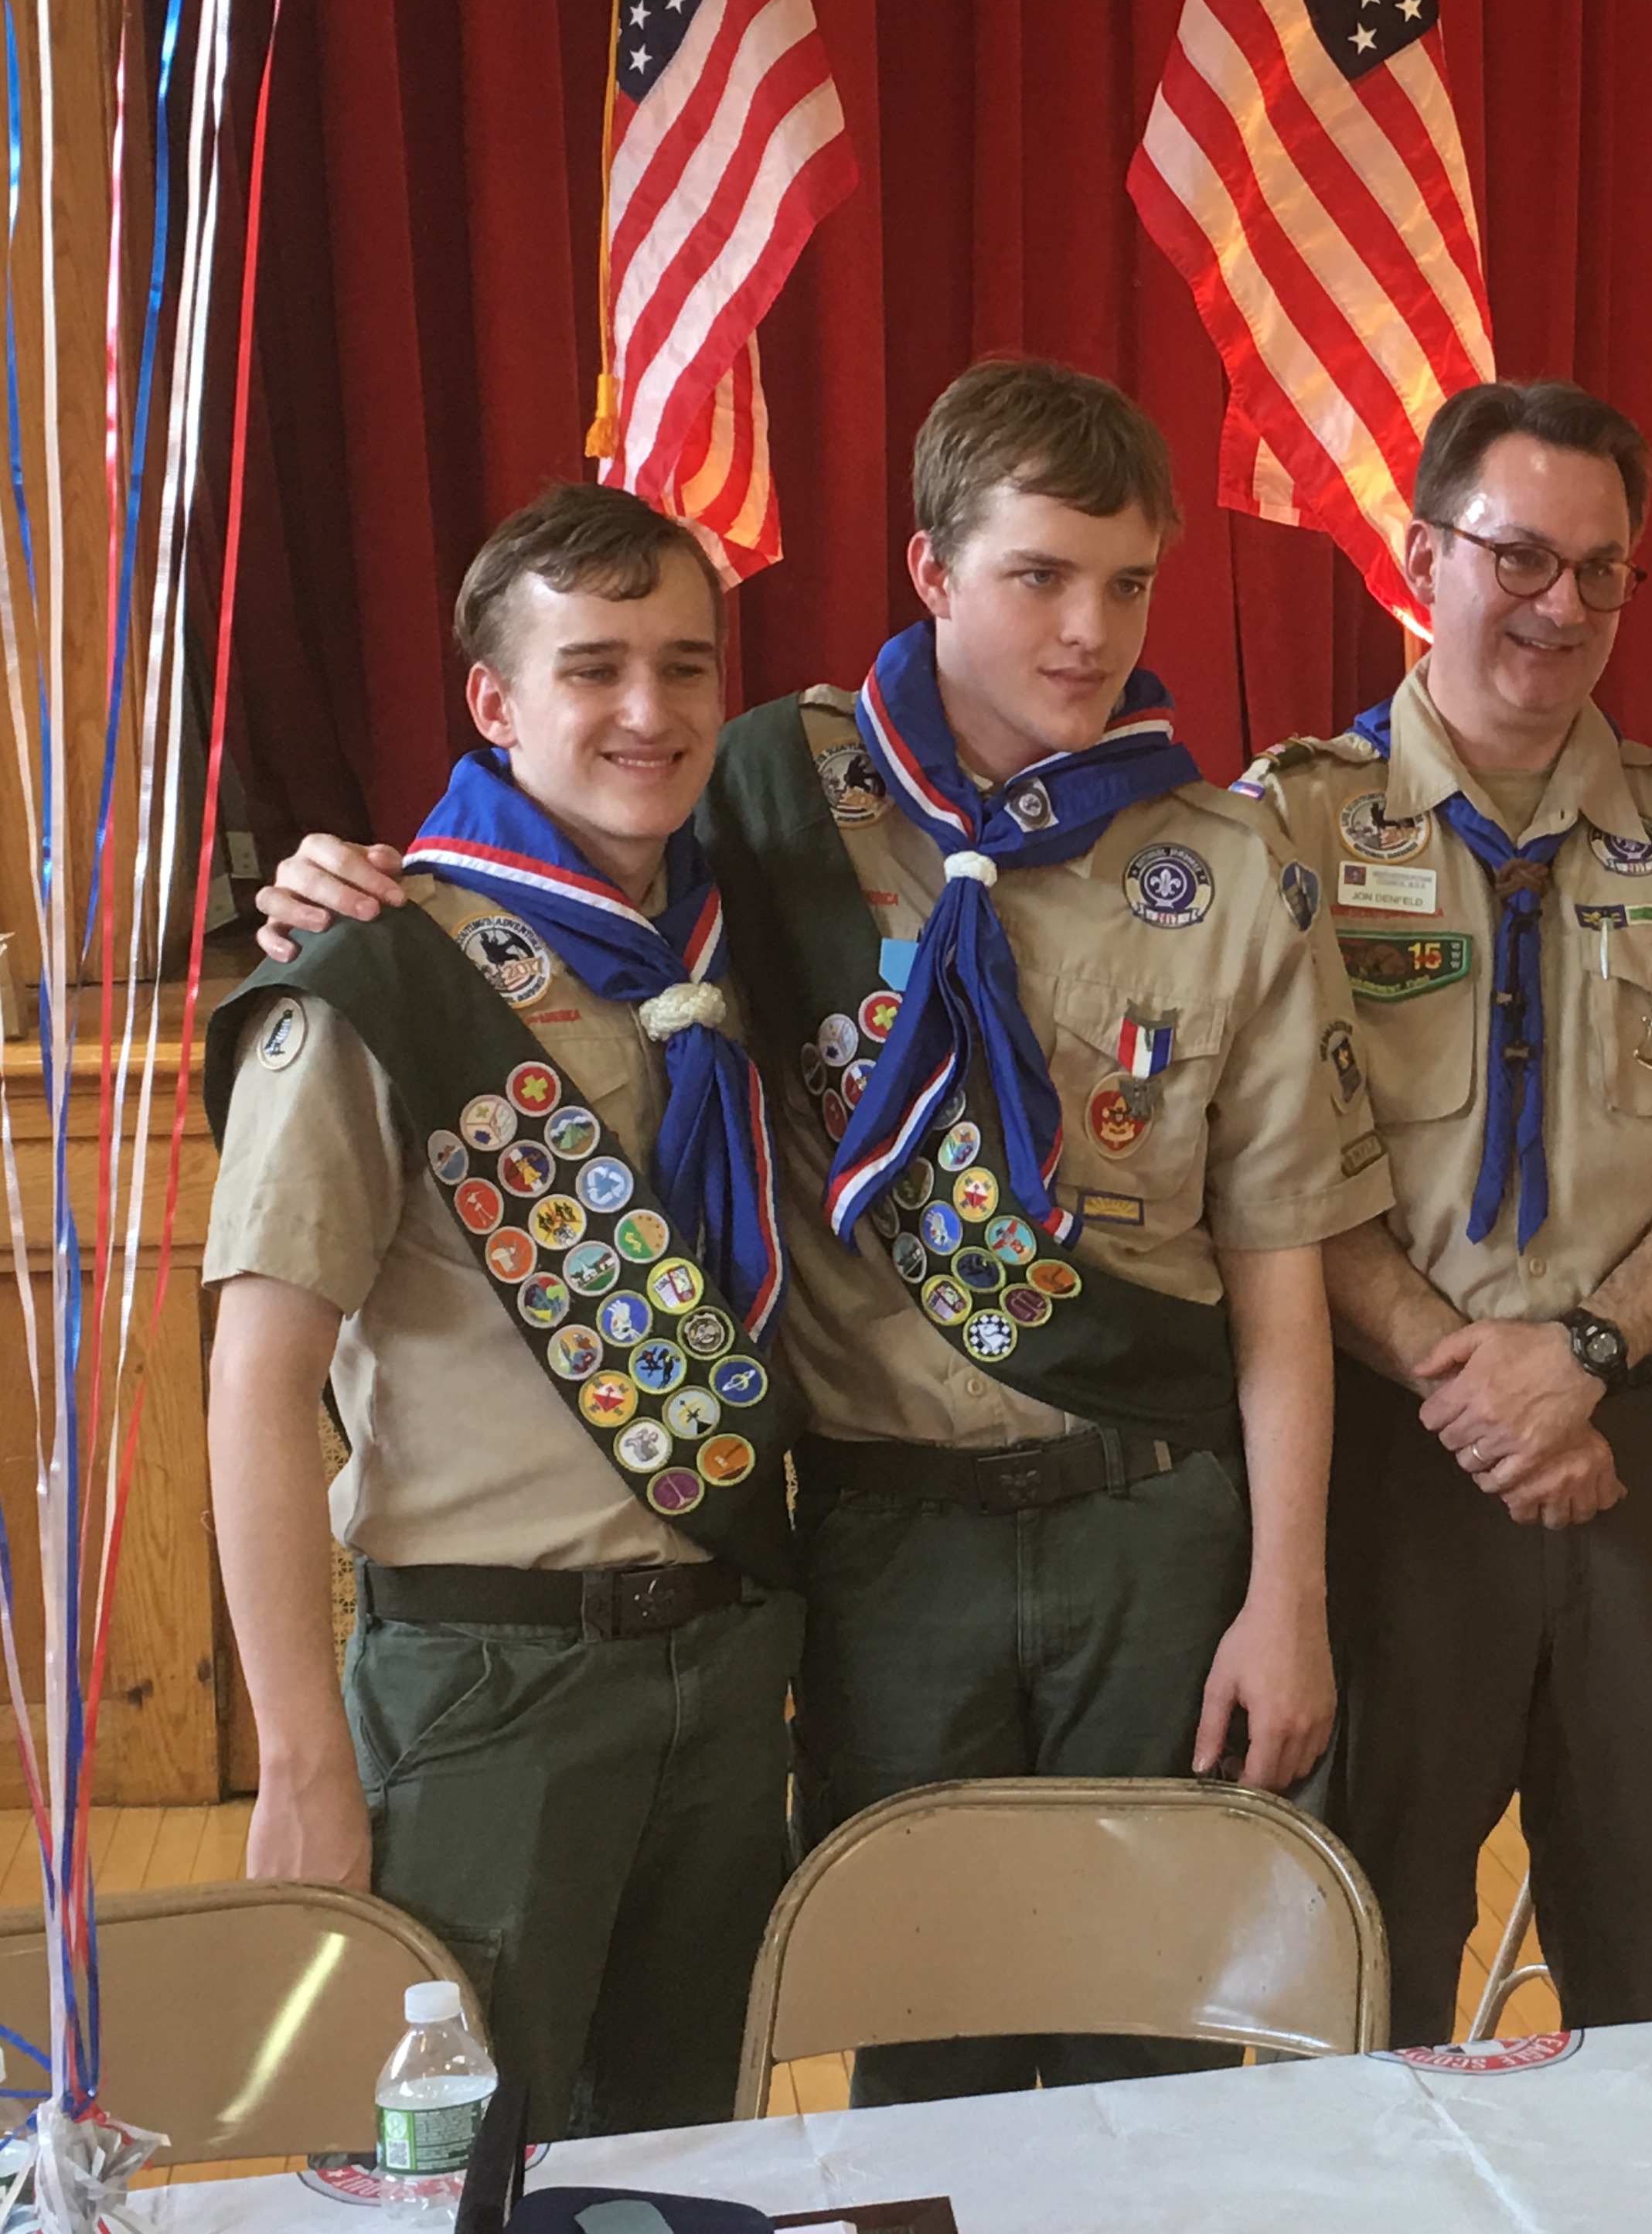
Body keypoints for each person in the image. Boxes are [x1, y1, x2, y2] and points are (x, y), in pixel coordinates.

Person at [253, 361, 1391, 2103]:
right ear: (931, 569)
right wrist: (335, 882)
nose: (1088, 630)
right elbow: (545, 855)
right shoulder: (764, 785)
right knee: (915, 2042)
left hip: (1149, 1519)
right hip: (880, 1538)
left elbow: (1277, 1267)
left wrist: (1286, 1593)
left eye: (1128, 582)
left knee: (1152, 2041)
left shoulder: (1226, 857)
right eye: (1037, 575)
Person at [1235, 379, 1652, 2046]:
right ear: (1421, 553)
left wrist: (1578, 1357)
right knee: (1362, 1969)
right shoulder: (1283, 828)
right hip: (1380, 1470)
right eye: (1519, 558)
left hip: (1624, 1457)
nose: (1561, 606)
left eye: (1600, 570)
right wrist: (1480, 1390)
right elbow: (1259, 1172)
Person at [206, 485, 802, 2137]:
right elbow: (254, 1386)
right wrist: (299, 1759)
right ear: (494, 700)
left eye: (685, 666)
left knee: (679, 2161)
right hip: (489, 1679)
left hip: (727, 1651)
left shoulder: (743, 937)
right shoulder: (378, 970)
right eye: (592, 667)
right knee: (452, 2164)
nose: (648, 711)